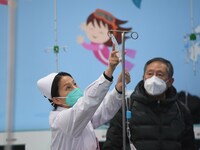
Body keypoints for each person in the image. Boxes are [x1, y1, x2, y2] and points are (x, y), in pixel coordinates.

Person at [36, 46, 131, 150]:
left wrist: (118, 89)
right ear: (56, 99)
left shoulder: (80, 114)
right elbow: (87, 103)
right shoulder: (60, 119)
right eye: (68, 88)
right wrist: (109, 71)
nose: (75, 88)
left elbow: (103, 110)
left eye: (74, 84)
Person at [102, 57, 196, 150]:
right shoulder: (126, 108)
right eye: (150, 74)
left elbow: (189, 146)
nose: (153, 79)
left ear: (170, 81)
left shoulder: (181, 111)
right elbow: (112, 146)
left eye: (160, 74)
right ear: (143, 78)